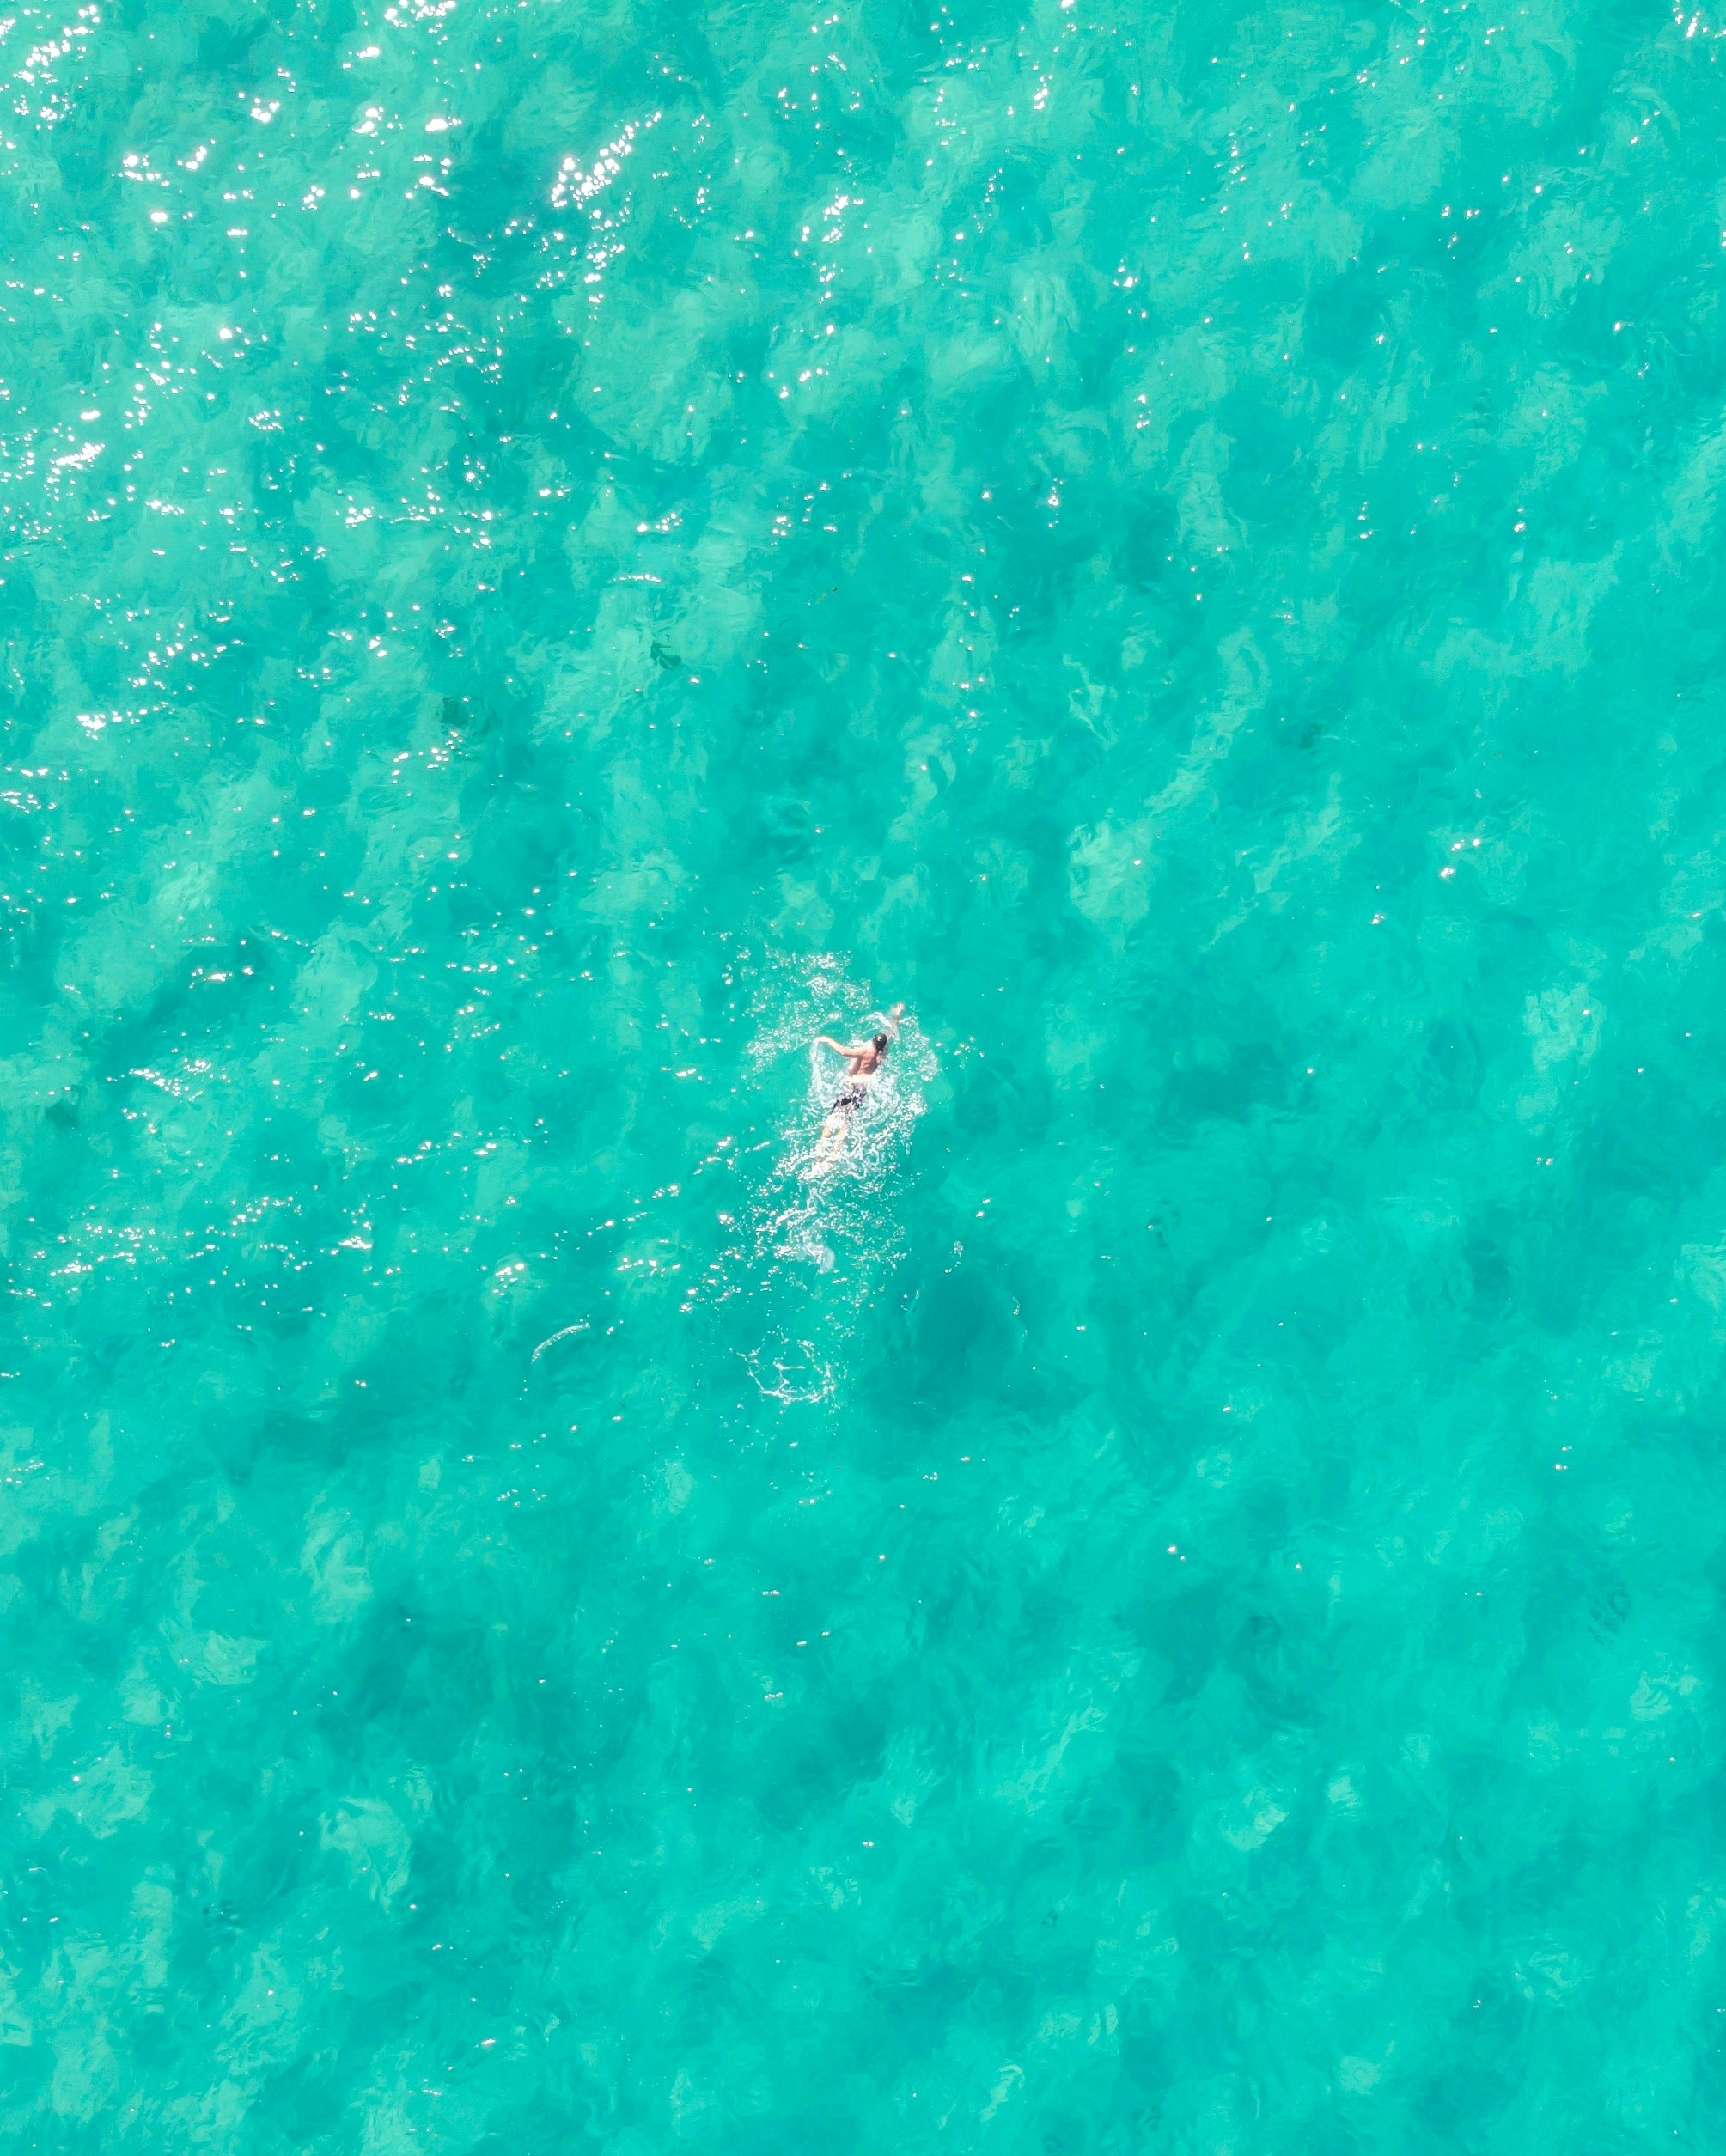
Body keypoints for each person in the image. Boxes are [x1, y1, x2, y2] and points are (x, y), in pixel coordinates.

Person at [809, 1003, 905, 1168]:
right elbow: (892, 1032)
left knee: (832, 1121)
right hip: (863, 1089)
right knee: (845, 1123)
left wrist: (826, 1039)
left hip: (851, 1087)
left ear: (874, 1043)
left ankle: (819, 1156)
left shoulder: (866, 1051)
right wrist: (897, 1015)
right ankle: (832, 1158)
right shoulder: (883, 1051)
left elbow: (843, 1051)